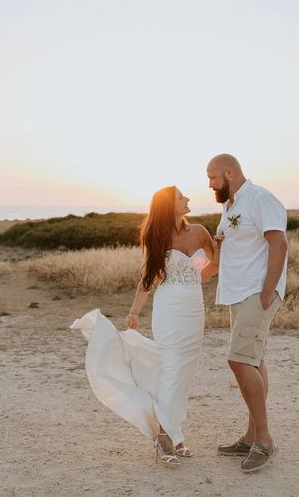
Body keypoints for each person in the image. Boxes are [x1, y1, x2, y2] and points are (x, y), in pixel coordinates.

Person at [71, 185, 221, 467]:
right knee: (172, 369)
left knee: (184, 372)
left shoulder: (200, 231)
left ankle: (174, 434)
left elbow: (215, 265)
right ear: (168, 206)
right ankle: (164, 437)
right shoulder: (156, 235)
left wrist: (217, 250)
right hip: (168, 310)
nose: (187, 199)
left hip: (194, 308)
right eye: (181, 197)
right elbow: (148, 277)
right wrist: (134, 311)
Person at [206, 154, 288, 472]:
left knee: (238, 360)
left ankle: (265, 441)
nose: (209, 183)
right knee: (253, 359)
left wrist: (268, 290)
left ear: (230, 172)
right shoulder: (229, 206)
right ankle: (251, 436)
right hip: (238, 294)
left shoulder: (260, 198)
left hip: (257, 292)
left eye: (213, 177)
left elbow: (278, 243)